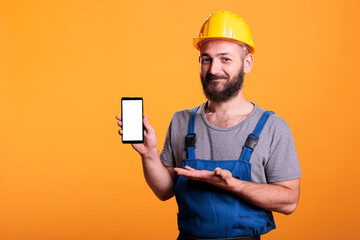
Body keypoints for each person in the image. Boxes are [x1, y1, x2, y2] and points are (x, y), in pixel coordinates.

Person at [116, 10, 301, 240]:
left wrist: (234, 185)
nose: (214, 69)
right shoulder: (182, 121)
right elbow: (164, 191)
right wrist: (149, 154)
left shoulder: (273, 128)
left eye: (225, 59)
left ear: (247, 63)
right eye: (207, 59)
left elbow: (289, 201)